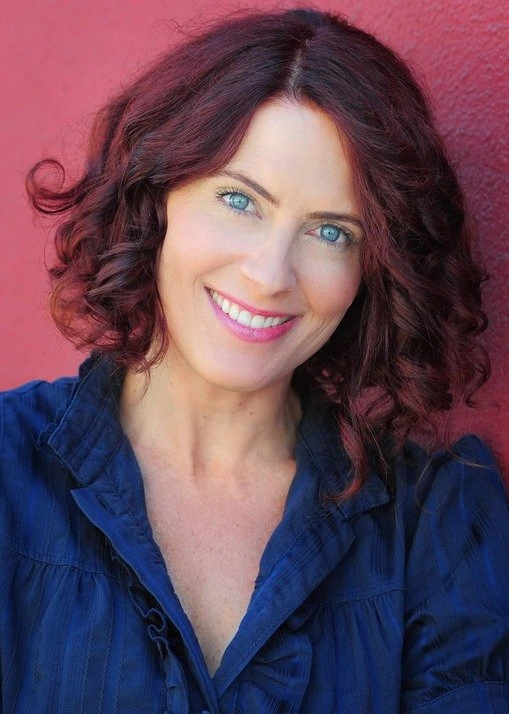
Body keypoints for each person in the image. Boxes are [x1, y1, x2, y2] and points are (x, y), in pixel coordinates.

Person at [1, 7, 508, 713]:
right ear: (158, 198)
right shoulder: (8, 471)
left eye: (331, 232)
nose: (270, 274)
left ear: (373, 271)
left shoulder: (433, 523)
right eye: (239, 199)